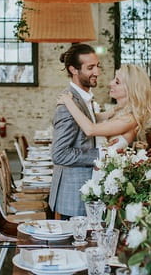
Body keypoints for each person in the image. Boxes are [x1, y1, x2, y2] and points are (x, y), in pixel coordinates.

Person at [49, 44, 101, 219]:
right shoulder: (68, 104)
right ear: (74, 70)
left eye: (97, 66)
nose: (97, 72)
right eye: (90, 68)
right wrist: (100, 155)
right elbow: (59, 154)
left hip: (85, 191)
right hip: (73, 196)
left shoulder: (83, 99)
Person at [57, 63, 151, 151]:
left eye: (117, 82)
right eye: (114, 79)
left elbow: (90, 129)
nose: (110, 84)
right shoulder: (117, 111)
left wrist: (68, 102)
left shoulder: (129, 119)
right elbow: (92, 117)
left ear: (131, 89)